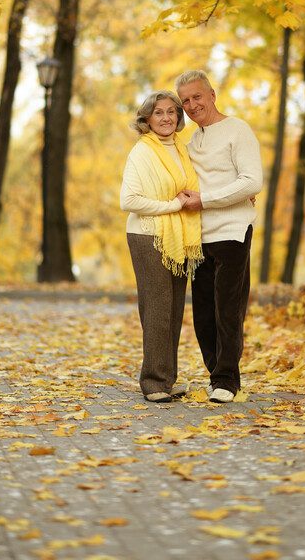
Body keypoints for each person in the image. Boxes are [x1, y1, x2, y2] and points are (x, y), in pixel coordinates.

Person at [175, 70, 263, 403]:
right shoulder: (193, 141)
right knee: (202, 313)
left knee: (228, 308)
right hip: (199, 236)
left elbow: (252, 181)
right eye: (185, 100)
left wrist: (207, 200)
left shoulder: (237, 130)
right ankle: (216, 373)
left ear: (212, 94)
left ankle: (228, 379)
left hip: (232, 231)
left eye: (197, 96)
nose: (191, 104)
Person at [120, 91, 203, 403]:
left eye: (172, 112)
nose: (167, 118)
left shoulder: (181, 149)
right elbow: (128, 201)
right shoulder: (142, 152)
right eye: (159, 113)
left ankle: (166, 380)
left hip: (176, 236)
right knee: (157, 307)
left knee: (173, 308)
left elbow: (195, 188)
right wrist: (172, 205)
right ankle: (153, 383)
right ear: (147, 119)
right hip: (147, 235)